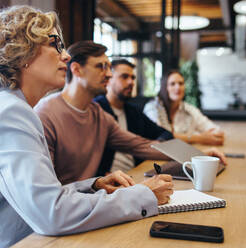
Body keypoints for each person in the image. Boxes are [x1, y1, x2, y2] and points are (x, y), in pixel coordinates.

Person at [0, 6, 173, 248]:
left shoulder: (7, 107)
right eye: (55, 44)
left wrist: (92, 185)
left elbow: (42, 198)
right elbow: (51, 214)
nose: (66, 55)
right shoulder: (10, 113)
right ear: (21, 52)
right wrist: (141, 195)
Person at [35, 41, 178, 184]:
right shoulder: (45, 114)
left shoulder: (99, 115)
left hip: (90, 200)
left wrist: (194, 156)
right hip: (66, 203)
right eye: (101, 67)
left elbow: (141, 146)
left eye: (109, 67)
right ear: (77, 70)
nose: (109, 74)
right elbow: (46, 194)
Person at [94, 59, 173, 173]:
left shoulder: (133, 111)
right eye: (124, 77)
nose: (131, 82)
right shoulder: (97, 110)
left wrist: (157, 144)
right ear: (109, 79)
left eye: (133, 78)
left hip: (137, 172)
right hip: (107, 180)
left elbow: (165, 133)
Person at [143, 70, 225, 146]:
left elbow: (218, 132)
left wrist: (210, 136)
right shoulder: (152, 108)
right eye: (172, 84)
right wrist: (199, 138)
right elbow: (162, 137)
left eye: (181, 83)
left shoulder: (190, 109)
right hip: (155, 158)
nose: (177, 87)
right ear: (165, 87)